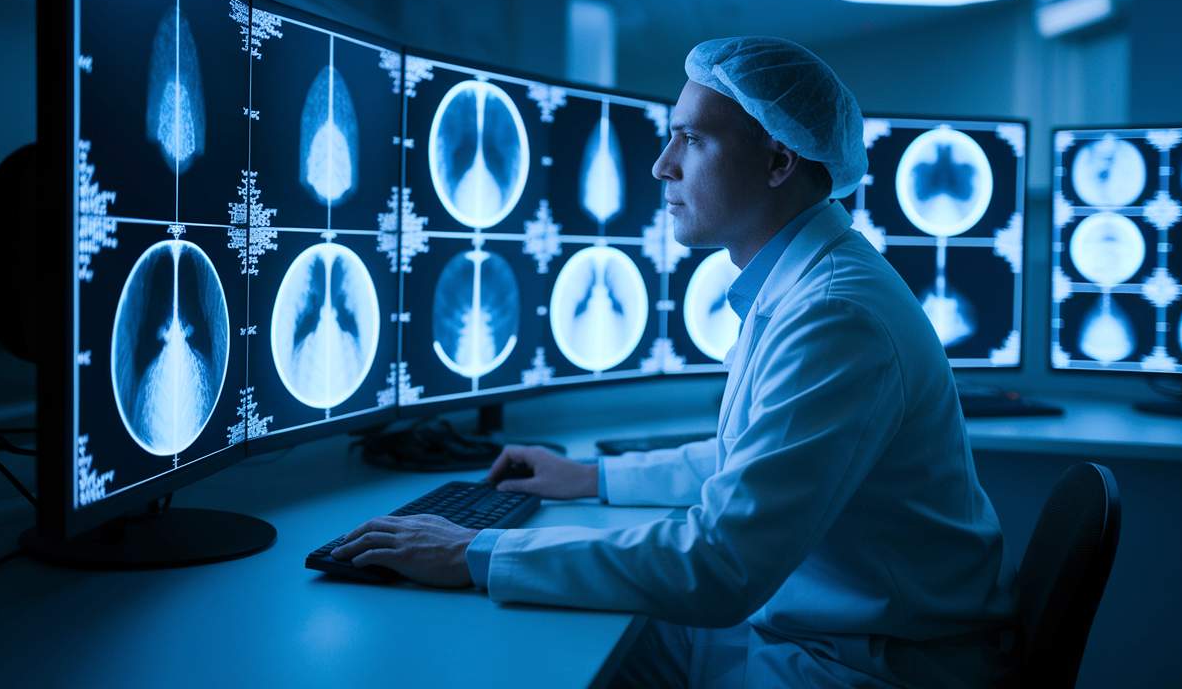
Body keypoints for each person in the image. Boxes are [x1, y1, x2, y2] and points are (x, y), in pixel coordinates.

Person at [333, 37, 1019, 688]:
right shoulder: (810, 282)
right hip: (818, 631)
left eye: (691, 138)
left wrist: (475, 553)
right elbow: (746, 459)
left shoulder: (836, 315)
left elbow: (722, 565)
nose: (663, 164)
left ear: (779, 162)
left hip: (857, 667)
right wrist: (591, 476)